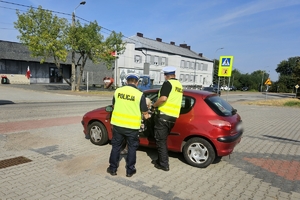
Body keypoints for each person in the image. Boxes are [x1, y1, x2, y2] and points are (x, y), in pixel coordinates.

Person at [107, 73, 150, 177]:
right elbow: (144, 112)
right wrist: (147, 115)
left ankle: (113, 169)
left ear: (126, 82)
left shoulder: (118, 91)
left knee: (116, 147)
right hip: (132, 127)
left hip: (118, 125)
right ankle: (130, 170)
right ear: (137, 82)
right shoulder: (139, 94)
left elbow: (113, 105)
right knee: (132, 148)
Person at [151, 66, 183, 171]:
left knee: (160, 140)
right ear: (174, 75)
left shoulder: (167, 83)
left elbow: (163, 98)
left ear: (165, 75)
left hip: (163, 116)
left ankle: (164, 164)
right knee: (163, 140)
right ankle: (160, 160)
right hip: (173, 117)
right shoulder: (179, 85)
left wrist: (154, 105)